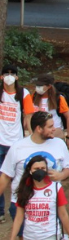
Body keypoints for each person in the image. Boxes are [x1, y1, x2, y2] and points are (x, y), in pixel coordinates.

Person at [0, 112, 69, 222]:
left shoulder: (59, 144)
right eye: (50, 126)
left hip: (50, 203)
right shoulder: (18, 147)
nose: (54, 129)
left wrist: (61, 175)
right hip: (22, 202)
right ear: (39, 129)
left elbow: (68, 167)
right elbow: (5, 176)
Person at [10, 154, 69, 240]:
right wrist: (12, 237)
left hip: (50, 235)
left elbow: (63, 214)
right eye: (36, 169)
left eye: (43, 168)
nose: (40, 171)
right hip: (29, 236)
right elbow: (19, 217)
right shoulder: (24, 189)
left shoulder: (56, 188)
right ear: (30, 171)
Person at [0, 66, 23, 218]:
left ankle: (16, 208)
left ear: (17, 77)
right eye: (6, 74)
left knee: (18, 178)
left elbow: (28, 116)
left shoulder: (23, 94)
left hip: (17, 142)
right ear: (1, 77)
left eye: (12, 74)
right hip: (0, 141)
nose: (9, 76)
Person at [21, 75, 69, 141]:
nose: (38, 88)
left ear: (49, 86)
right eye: (37, 85)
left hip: (55, 134)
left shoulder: (59, 99)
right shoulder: (33, 97)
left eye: (41, 86)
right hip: (38, 135)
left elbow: (68, 117)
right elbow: (28, 116)